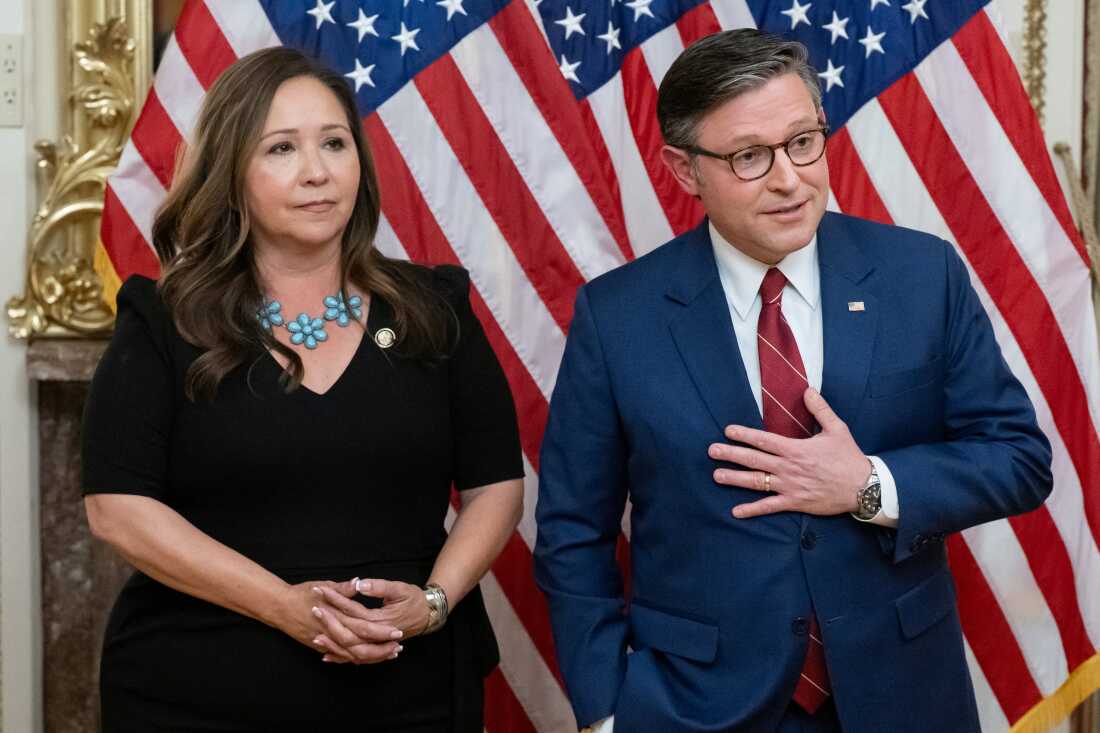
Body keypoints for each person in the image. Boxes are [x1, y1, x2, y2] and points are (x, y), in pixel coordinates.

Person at [534, 29, 1052, 733]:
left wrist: (868, 485)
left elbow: (1019, 458)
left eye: (804, 141)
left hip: (901, 697)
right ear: (684, 170)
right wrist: (606, 709)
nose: (790, 178)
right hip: (693, 705)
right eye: (750, 156)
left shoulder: (922, 276)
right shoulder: (618, 314)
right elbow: (572, 530)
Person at [82, 47, 524, 732]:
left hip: (411, 688)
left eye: (335, 143)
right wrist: (285, 605)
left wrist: (436, 600)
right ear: (233, 173)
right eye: (282, 148)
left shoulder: (434, 308)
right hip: (197, 691)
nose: (317, 172)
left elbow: (496, 484)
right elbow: (117, 508)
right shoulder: (164, 320)